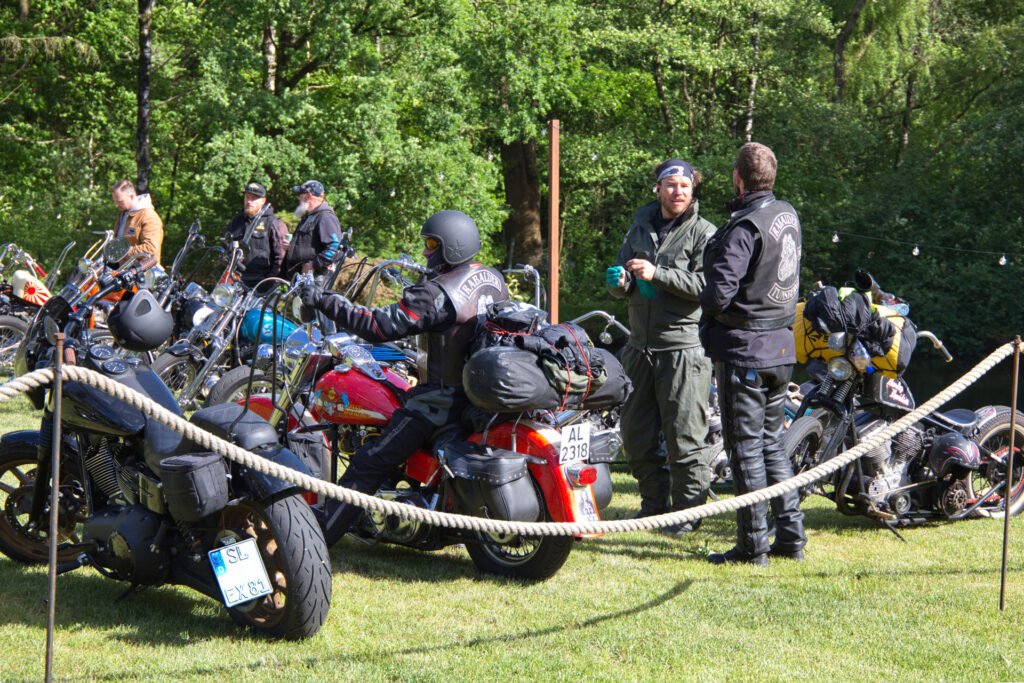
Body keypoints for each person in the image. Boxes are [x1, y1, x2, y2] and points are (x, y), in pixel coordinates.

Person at [300, 209, 508, 545]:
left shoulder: (437, 292)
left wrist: (325, 300)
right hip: (477, 395)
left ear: (452, 246)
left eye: (431, 244)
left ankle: (316, 540)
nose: (425, 252)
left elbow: (379, 326)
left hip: (439, 402)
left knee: (370, 460)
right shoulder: (492, 278)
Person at [700, 142, 806, 566]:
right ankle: (792, 537)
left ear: (738, 178)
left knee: (745, 448)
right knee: (772, 445)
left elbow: (719, 294)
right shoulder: (787, 214)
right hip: (781, 345)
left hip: (746, 350)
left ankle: (752, 547)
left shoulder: (745, 227)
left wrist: (706, 298)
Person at [605, 159, 716, 534]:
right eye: (670, 184)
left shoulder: (705, 233)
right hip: (639, 347)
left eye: (685, 185)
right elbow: (626, 280)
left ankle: (686, 515)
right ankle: (653, 506)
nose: (678, 191)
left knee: (684, 437)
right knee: (636, 436)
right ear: (658, 189)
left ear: (693, 189)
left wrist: (659, 274)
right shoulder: (640, 226)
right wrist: (619, 282)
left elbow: (708, 288)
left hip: (684, 349)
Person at [223, 181, 290, 289]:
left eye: (254, 198)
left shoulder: (274, 223)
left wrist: (268, 282)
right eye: (247, 197)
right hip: (234, 280)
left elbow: (280, 259)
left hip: (260, 285)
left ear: (263, 201)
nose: (249, 201)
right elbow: (225, 248)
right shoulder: (236, 222)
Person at [281, 179, 344, 279]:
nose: (298, 198)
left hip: (314, 282)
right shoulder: (308, 217)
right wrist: (292, 246)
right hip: (300, 279)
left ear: (308, 195)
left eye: (300, 194)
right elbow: (309, 246)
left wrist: (314, 265)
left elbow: (335, 246)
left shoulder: (325, 217)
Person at [111, 179, 164, 264]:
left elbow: (150, 248)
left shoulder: (149, 216)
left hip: (142, 274)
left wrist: (122, 252)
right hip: (122, 270)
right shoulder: (123, 213)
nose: (116, 205)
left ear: (131, 196)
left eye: (120, 201)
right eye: (115, 202)